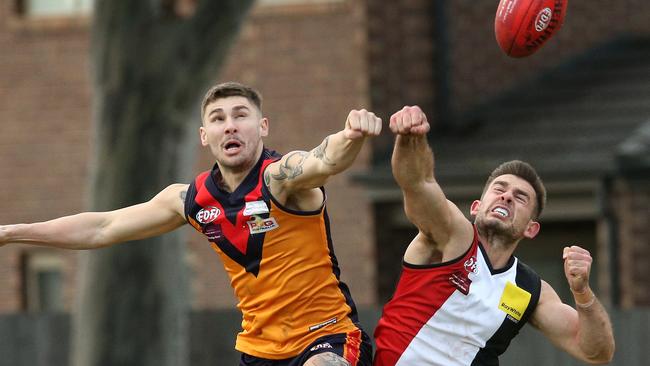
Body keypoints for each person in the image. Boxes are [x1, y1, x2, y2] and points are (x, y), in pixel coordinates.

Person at [0, 82, 381, 366]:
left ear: (262, 127)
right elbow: (102, 227)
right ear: (205, 137)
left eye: (240, 115)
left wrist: (350, 135)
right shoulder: (192, 200)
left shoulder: (281, 178)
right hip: (260, 350)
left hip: (327, 339)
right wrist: (11, 233)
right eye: (218, 119)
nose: (230, 126)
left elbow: (323, 160)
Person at [373, 106, 615, 366]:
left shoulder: (529, 289)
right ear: (476, 208)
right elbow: (418, 183)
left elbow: (596, 352)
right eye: (499, 188)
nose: (507, 196)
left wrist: (582, 293)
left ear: (530, 229)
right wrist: (412, 139)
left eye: (520, 197)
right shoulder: (451, 235)